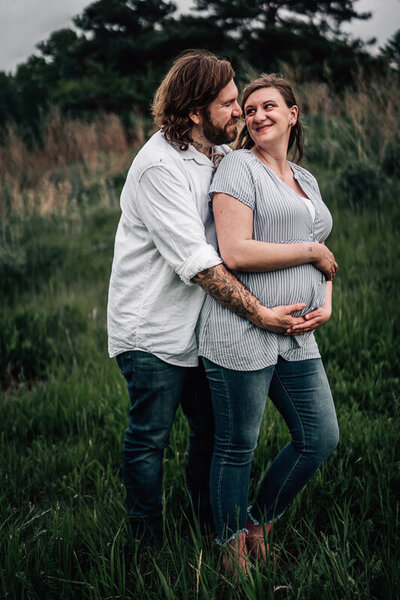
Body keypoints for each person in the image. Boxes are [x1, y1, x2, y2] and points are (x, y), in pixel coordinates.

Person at [107, 54, 316, 550]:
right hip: (151, 328)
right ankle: (147, 545)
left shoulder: (218, 155)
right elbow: (199, 261)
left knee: (210, 433)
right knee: (149, 439)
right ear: (196, 112)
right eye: (227, 104)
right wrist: (262, 314)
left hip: (202, 326)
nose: (238, 113)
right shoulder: (158, 165)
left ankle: (211, 528)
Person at [197, 74, 339, 573]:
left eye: (269, 106)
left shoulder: (306, 179)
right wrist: (310, 251)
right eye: (250, 109)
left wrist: (324, 298)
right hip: (243, 329)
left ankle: (260, 522)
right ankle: (231, 551)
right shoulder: (237, 167)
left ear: (293, 114)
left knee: (320, 437)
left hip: (298, 332)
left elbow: (322, 252)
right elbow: (235, 252)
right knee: (238, 445)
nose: (256, 116)